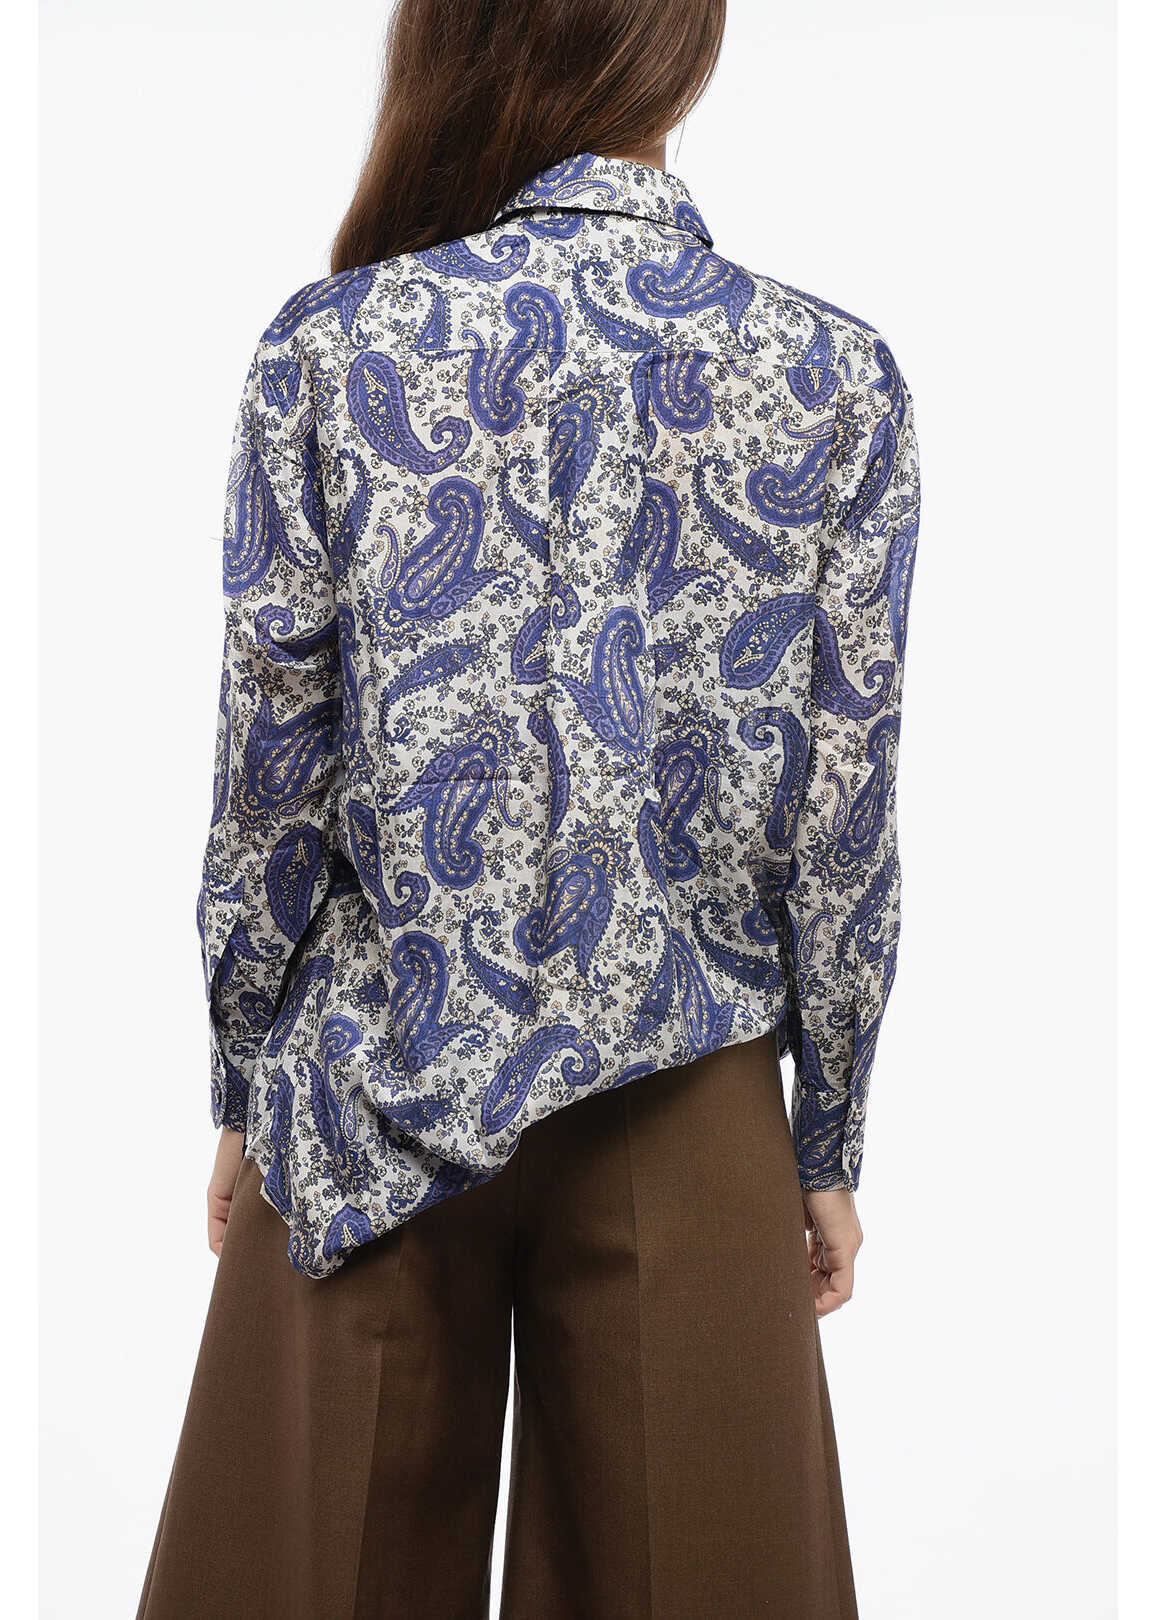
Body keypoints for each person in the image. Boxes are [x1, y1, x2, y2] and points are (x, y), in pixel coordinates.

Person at [137, 1, 921, 1614]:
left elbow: (272, 760)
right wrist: (822, 1130)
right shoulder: (833, 372)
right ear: (681, 52)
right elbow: (842, 799)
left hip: (370, 1073)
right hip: (686, 1083)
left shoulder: (336, 344)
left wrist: (245, 1069)